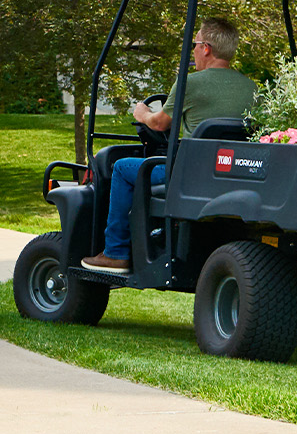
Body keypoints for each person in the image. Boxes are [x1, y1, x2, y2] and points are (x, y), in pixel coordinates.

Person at [82, 18, 255, 274]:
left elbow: (159, 123)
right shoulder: (250, 88)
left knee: (121, 168)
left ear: (206, 48)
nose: (194, 51)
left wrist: (141, 112)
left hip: (191, 175)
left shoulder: (190, 83)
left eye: (195, 44)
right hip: (231, 173)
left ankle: (116, 253)